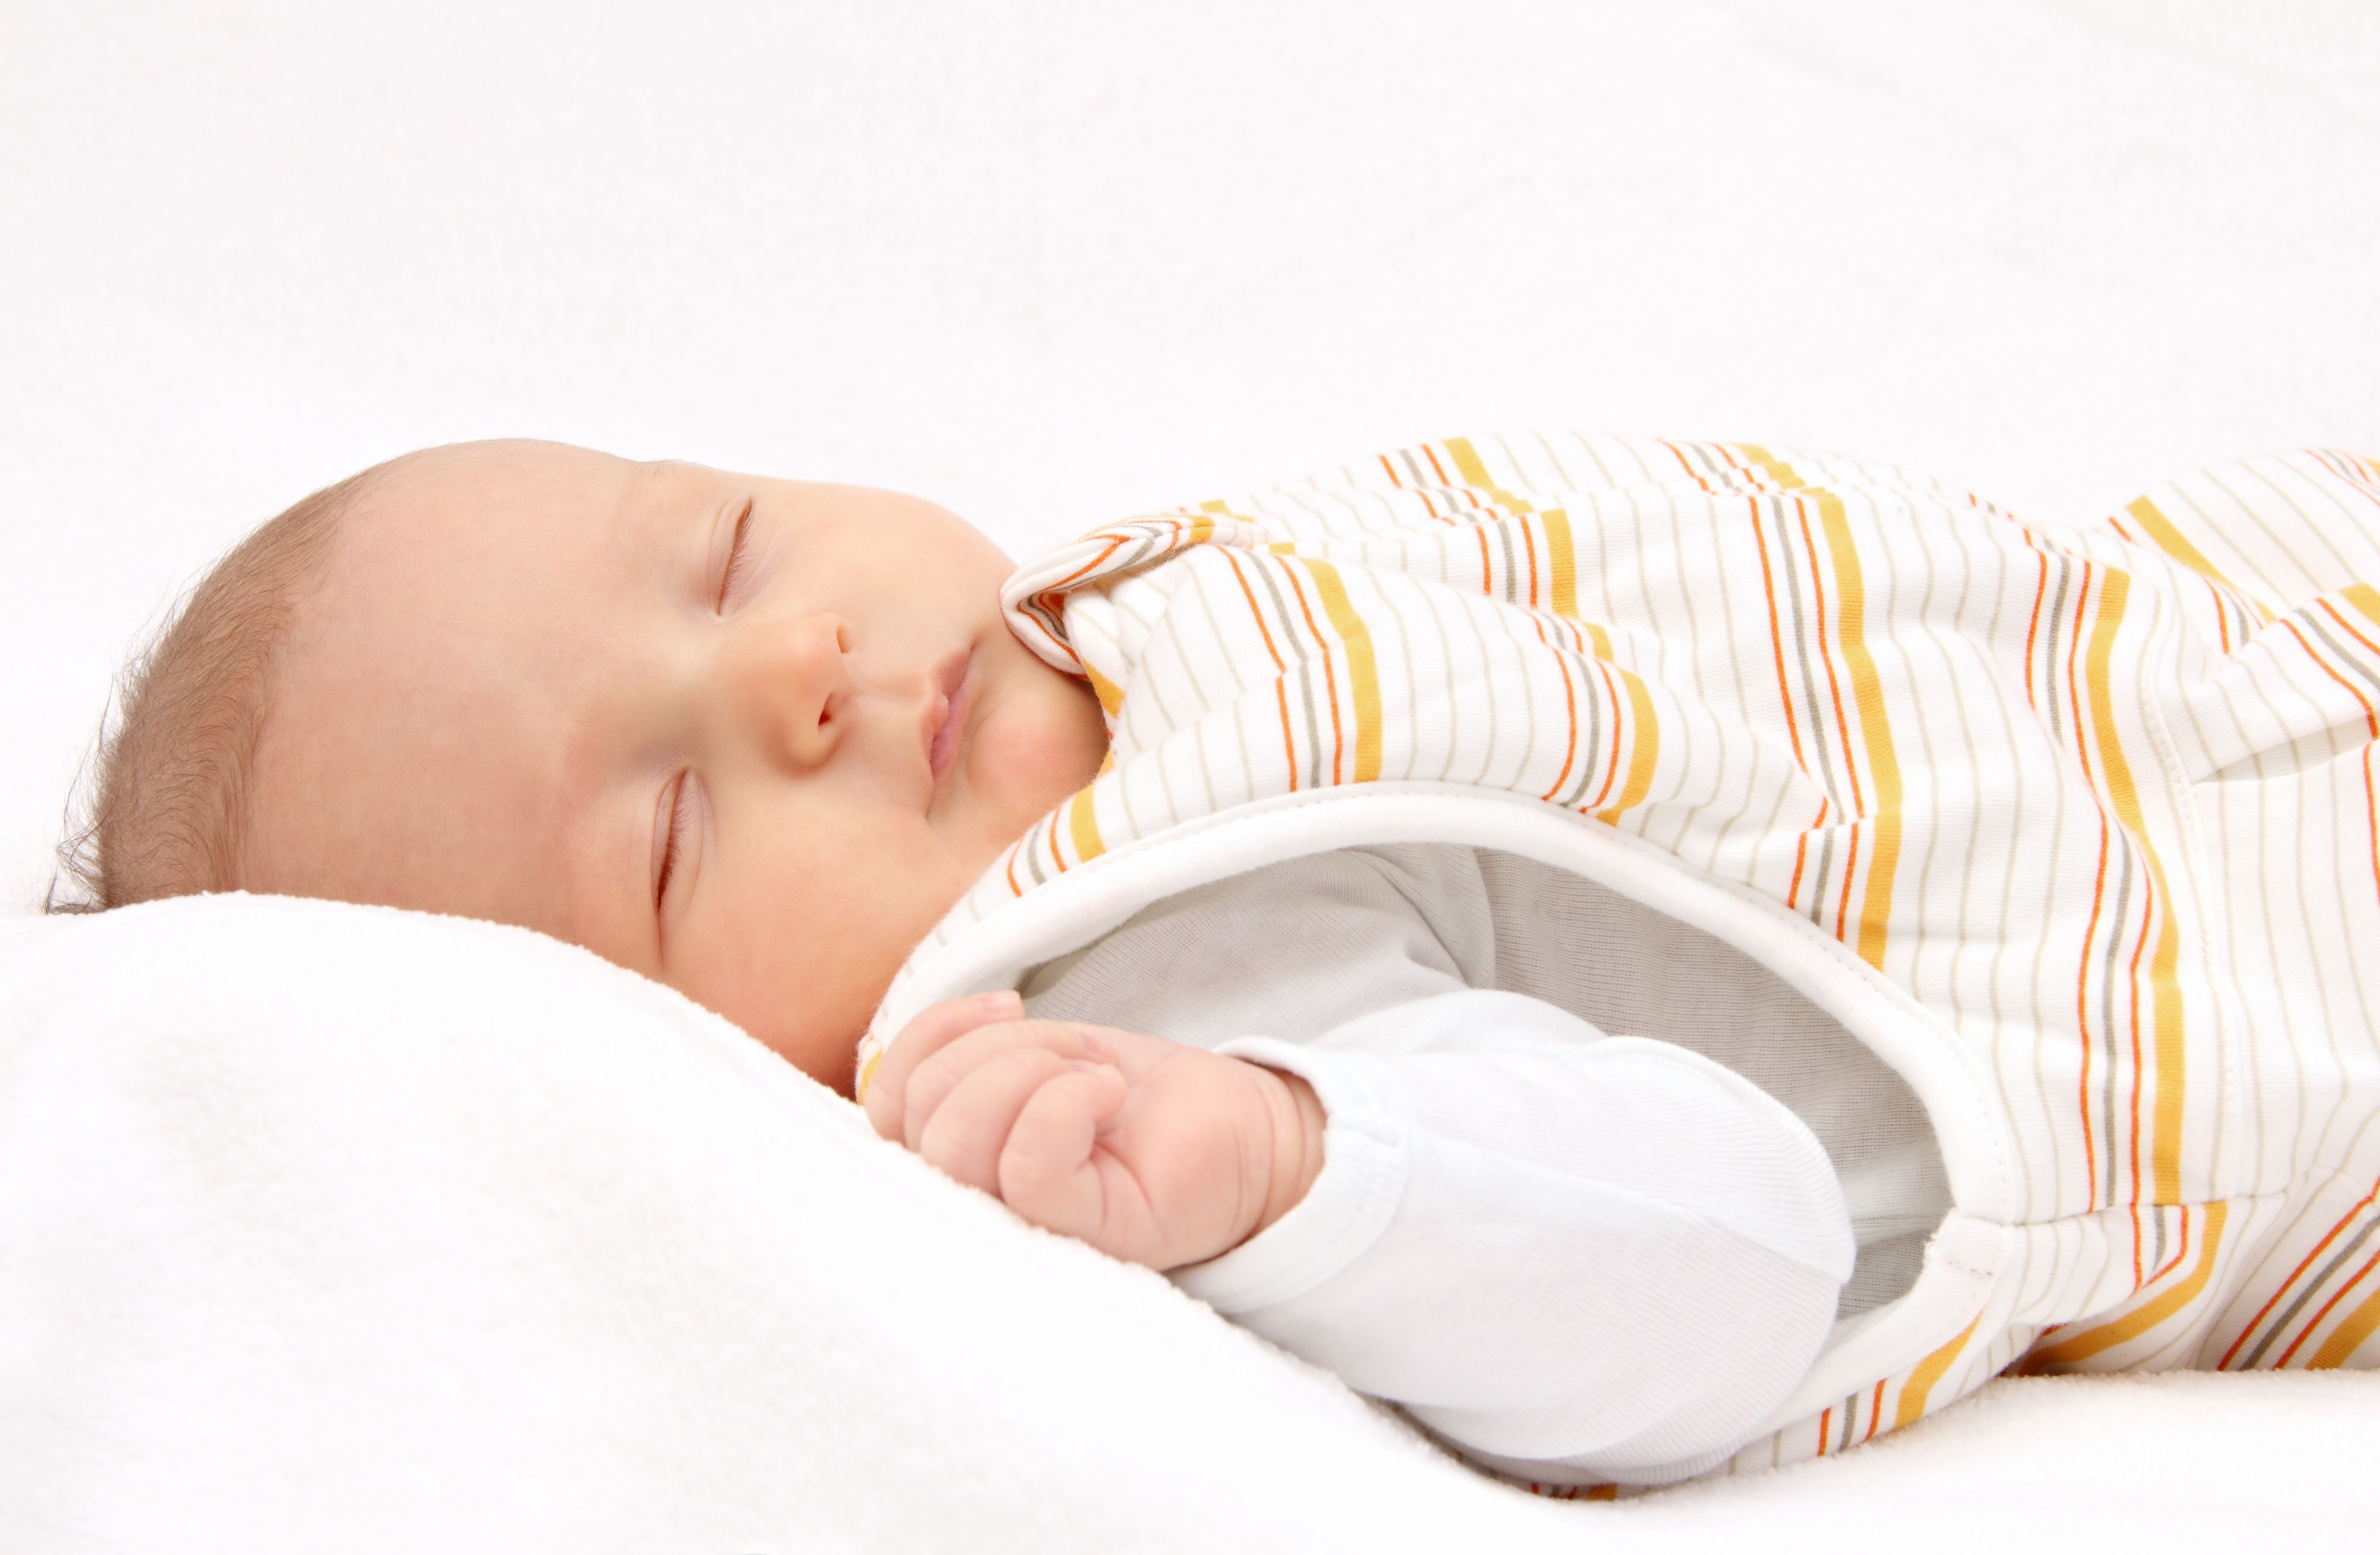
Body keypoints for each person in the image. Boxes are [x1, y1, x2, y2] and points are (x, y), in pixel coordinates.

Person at [62, 433, 2380, 1486]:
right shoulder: (1145, 1001)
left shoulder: (1137, 633)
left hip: (2247, 601)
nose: (799, 670)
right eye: (678, 824)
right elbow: (1726, 1255)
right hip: (2287, 992)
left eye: (722, 550)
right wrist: (1302, 1167)